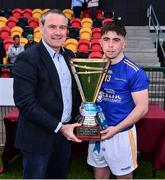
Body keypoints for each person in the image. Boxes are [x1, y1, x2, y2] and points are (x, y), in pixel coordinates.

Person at [13, 9, 82, 179]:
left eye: (62, 27)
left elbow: (73, 93)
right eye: (52, 27)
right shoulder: (28, 58)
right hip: (37, 139)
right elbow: (26, 103)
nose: (58, 32)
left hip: (64, 139)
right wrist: (60, 127)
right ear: (41, 28)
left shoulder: (70, 56)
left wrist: (82, 113)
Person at [87, 21, 149, 179]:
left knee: (124, 177)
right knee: (100, 176)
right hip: (97, 132)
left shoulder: (134, 71)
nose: (111, 45)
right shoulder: (95, 68)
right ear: (100, 42)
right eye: (106, 39)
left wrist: (116, 129)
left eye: (116, 40)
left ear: (124, 43)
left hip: (120, 135)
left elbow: (142, 108)